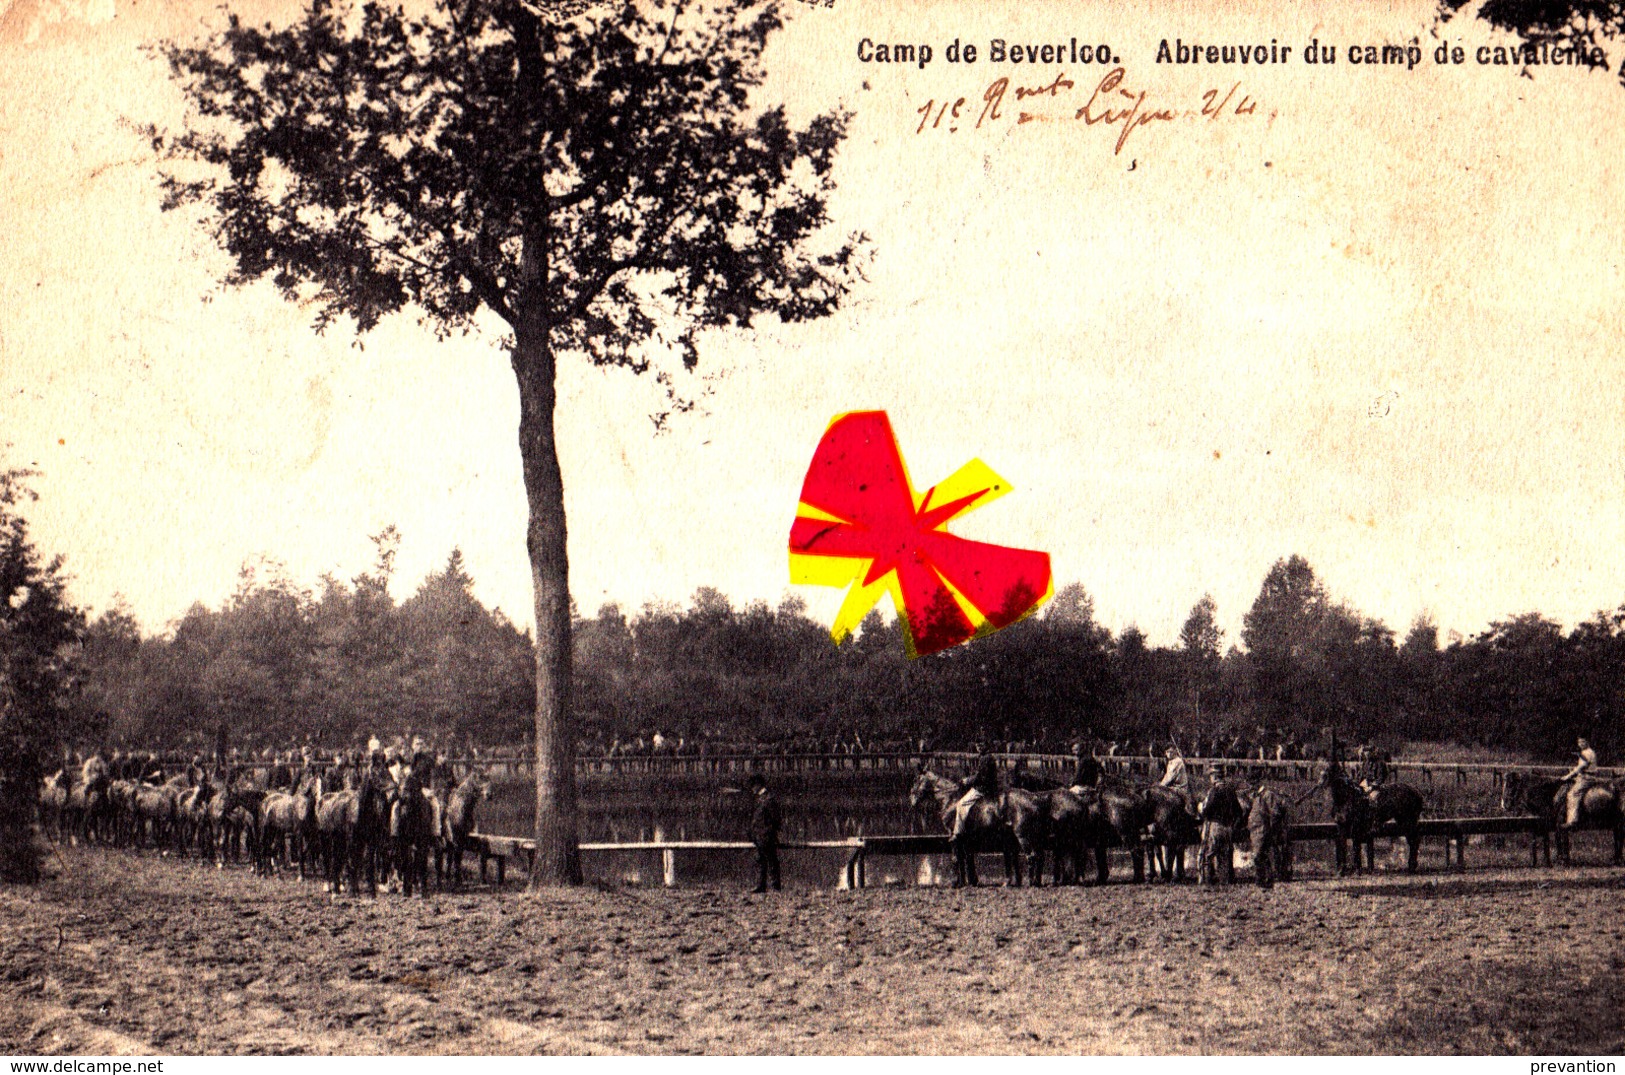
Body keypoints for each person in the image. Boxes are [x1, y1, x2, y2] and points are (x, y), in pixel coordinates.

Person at [746, 774, 781, 893]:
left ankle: (775, 887)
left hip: (766, 836)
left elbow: (775, 819)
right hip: (760, 836)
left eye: (753, 786)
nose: (752, 789)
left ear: (758, 785)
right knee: (761, 860)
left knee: (771, 861)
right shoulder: (761, 798)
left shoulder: (768, 799)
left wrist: (768, 832)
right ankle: (762, 885)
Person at [1560, 737, 1599, 829]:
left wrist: (1568, 776)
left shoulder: (1586, 753)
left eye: (1583, 742)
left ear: (1587, 742)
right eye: (1579, 742)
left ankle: (1572, 821)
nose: (1580, 744)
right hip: (1587, 776)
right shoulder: (1590, 752)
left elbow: (1581, 767)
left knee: (1572, 794)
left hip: (1586, 778)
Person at [1159, 744, 1191, 812]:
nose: (1169, 754)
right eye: (1167, 752)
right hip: (1172, 787)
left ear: (1175, 752)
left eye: (1171, 752)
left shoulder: (1177, 762)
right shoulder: (1171, 762)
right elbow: (1167, 776)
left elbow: (1169, 778)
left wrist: (1160, 786)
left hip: (1179, 789)